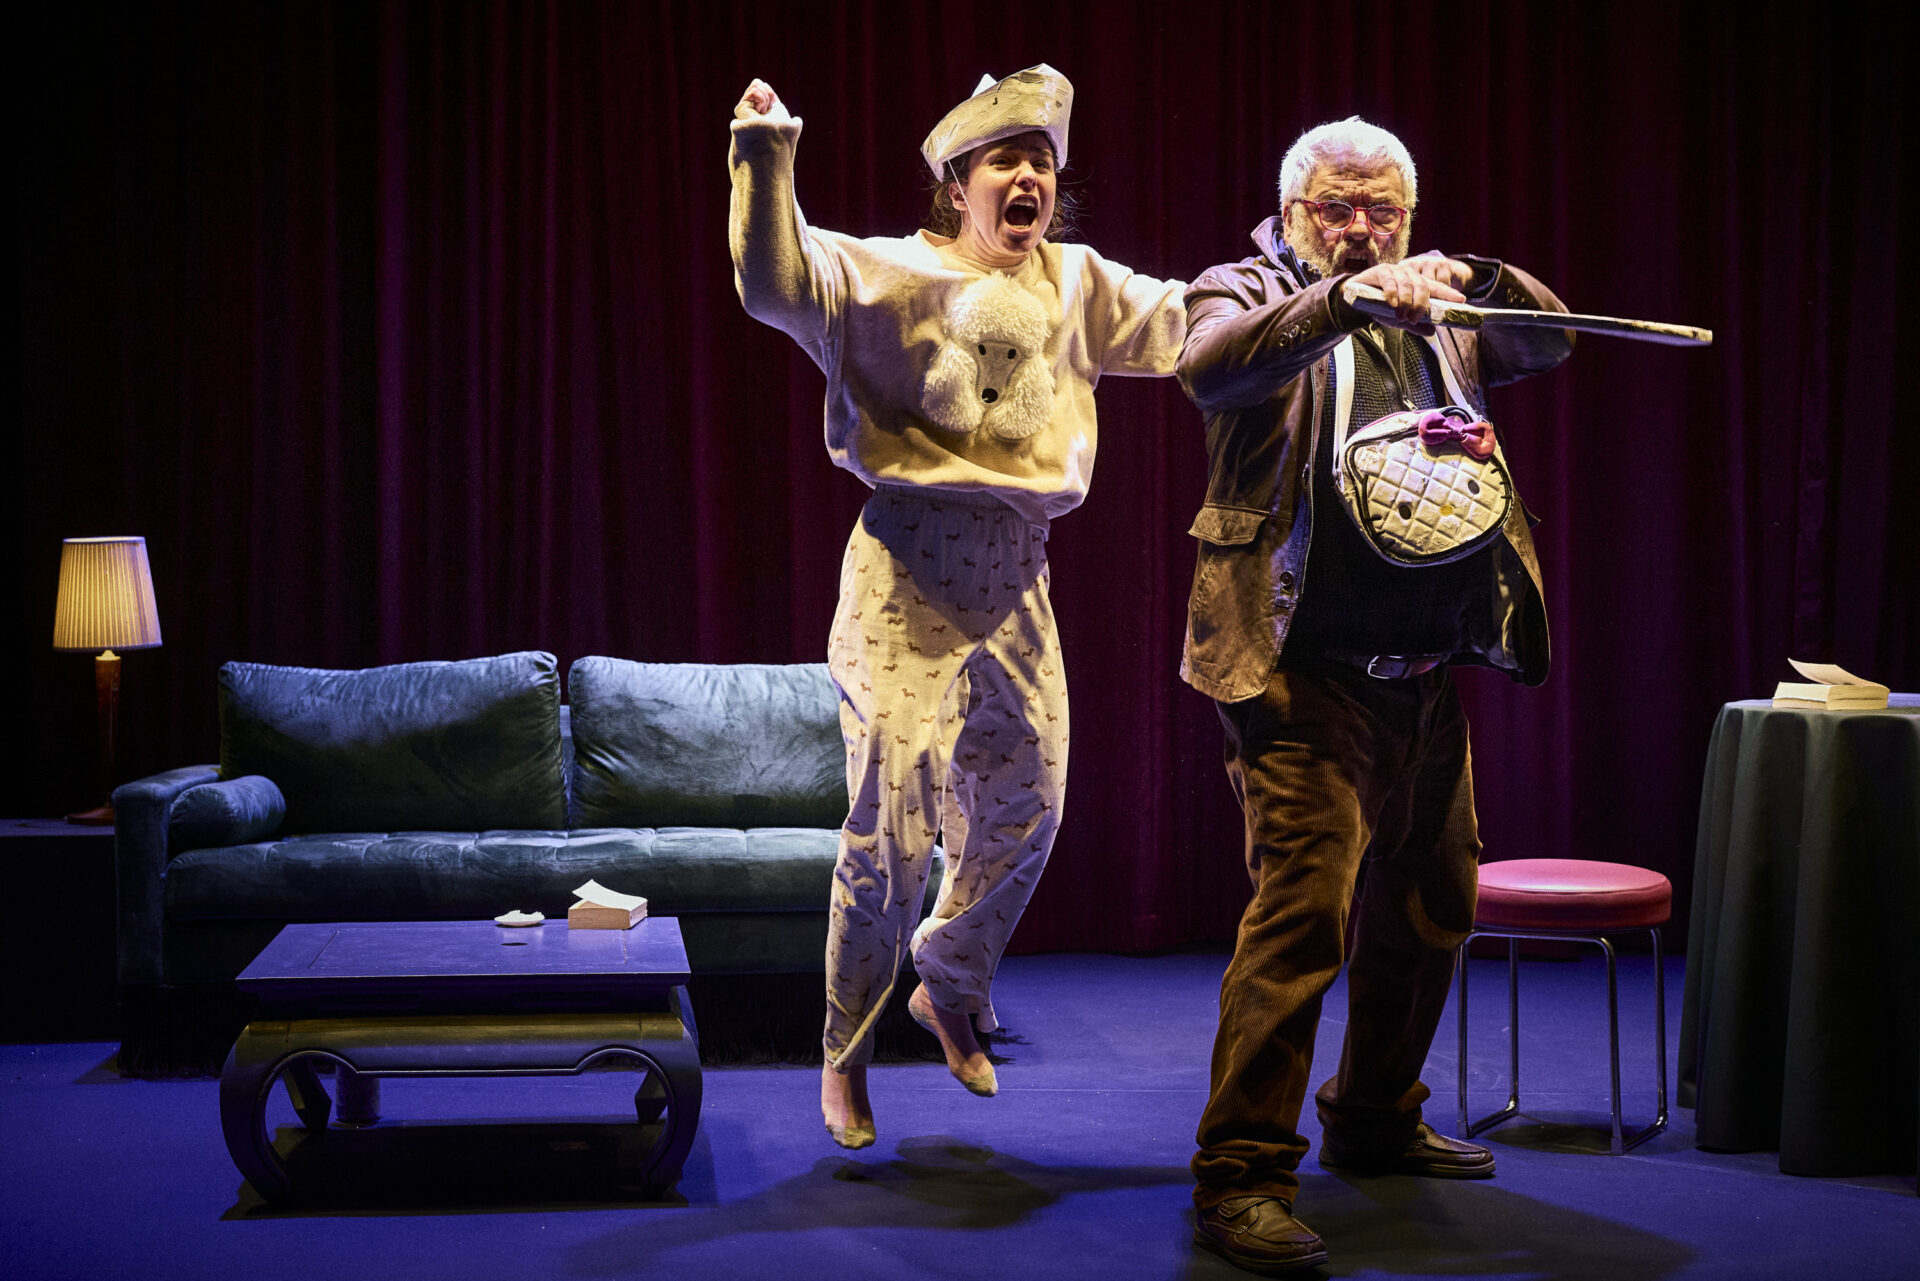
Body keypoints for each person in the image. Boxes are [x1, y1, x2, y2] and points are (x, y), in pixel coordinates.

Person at [728, 65, 1186, 1150]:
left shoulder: (1079, 283)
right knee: (892, 818)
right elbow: (776, 284)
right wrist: (766, 156)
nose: (1029, 179)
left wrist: (1310, 285)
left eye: (1043, 163)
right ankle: (845, 1050)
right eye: (1005, 161)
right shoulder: (892, 271)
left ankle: (948, 979)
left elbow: (1190, 323)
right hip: (907, 558)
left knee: (1033, 804)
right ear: (957, 182)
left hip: (1018, 567)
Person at [1175, 116, 1574, 1274]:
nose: (1361, 230)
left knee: (1432, 904)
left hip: (1425, 667)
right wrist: (1344, 302)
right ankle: (1241, 1175)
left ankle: (1376, 1116)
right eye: (1337, 210)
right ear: (1291, 213)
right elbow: (1212, 366)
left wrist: (1476, 279)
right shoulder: (1243, 288)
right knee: (1301, 923)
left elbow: (1548, 340)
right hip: (1299, 671)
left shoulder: (1437, 304)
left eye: (1382, 212)